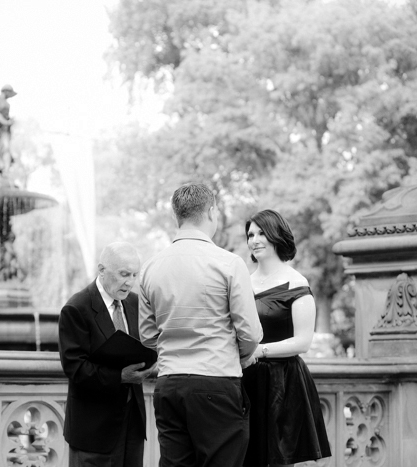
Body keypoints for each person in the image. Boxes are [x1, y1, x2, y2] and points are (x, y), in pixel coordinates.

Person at [139, 183, 263, 467]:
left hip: (169, 384)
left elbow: (147, 338)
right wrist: (241, 356)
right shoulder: (229, 264)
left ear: (176, 217)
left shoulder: (150, 267)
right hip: (216, 380)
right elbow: (250, 333)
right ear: (211, 212)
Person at [241, 209, 331, 467]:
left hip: (282, 383)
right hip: (246, 380)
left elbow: (303, 342)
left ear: (276, 236)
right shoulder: (244, 282)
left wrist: (259, 351)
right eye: (250, 235)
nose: (254, 240)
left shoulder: (296, 283)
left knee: (277, 460)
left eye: (261, 233)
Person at [58, 242, 153, 467]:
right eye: (123, 274)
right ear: (102, 270)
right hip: (93, 432)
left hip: (132, 426)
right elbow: (75, 368)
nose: (129, 282)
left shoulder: (135, 302)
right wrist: (120, 376)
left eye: (134, 274)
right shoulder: (76, 308)